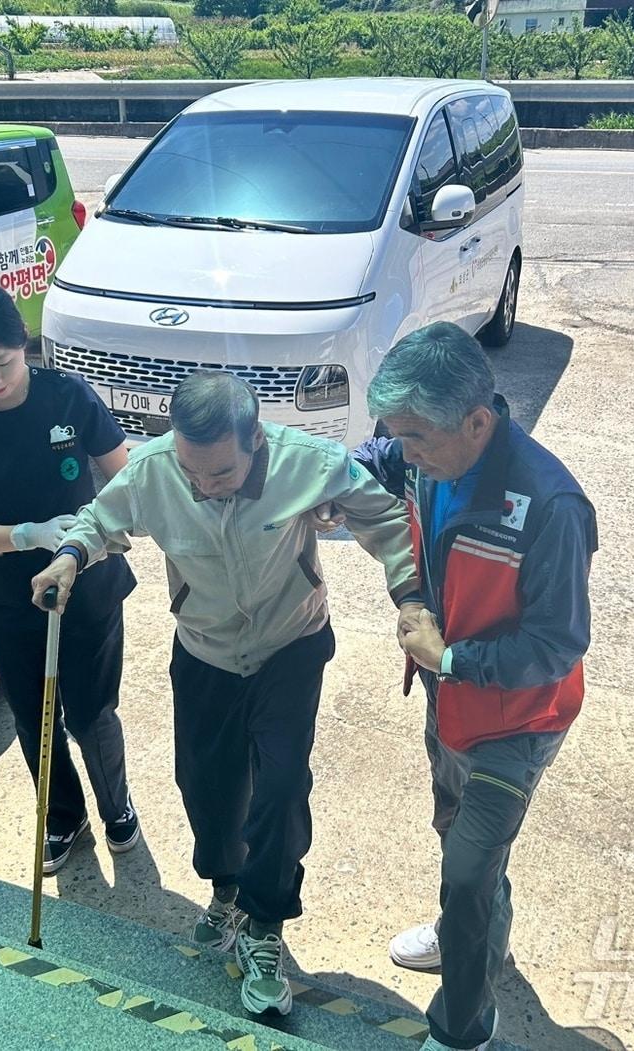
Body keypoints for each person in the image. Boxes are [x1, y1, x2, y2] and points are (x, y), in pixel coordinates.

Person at [30, 371, 420, 1019]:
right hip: (205, 649)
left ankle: (266, 923)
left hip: (289, 645)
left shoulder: (309, 464)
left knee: (282, 783)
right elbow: (101, 518)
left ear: (256, 440)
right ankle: (227, 888)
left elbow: (387, 522)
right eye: (193, 471)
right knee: (204, 784)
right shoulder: (157, 470)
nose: (205, 486)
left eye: (222, 473)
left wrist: (412, 600)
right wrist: (71, 554)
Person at [354, 322, 597, 1051]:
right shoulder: (428, 455)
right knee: (459, 840)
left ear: (479, 421)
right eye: (398, 435)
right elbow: (372, 461)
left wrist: (452, 658)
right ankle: (472, 929)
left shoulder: (552, 506)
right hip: (449, 701)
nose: (406, 453)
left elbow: (558, 645)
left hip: (519, 719)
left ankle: (463, 1030)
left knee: (467, 872)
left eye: (417, 438)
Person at [0, 278, 140, 875]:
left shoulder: (70, 397)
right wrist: (29, 534)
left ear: (24, 342)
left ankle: (116, 806)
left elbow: (123, 483)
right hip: (9, 593)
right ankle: (62, 814)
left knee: (93, 711)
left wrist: (86, 534)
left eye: (4, 361)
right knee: (32, 713)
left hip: (90, 581)